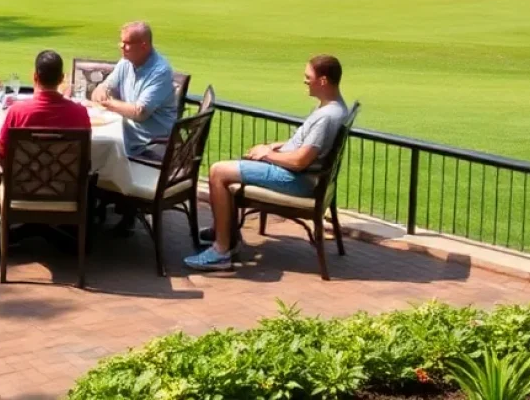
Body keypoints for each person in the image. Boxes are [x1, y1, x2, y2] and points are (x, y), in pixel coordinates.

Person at [184, 54, 350, 272]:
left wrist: (265, 155)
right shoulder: (335, 107)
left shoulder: (326, 117)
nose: (304, 80)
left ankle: (221, 250)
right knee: (230, 171)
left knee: (218, 172)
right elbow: (306, 145)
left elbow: (300, 161)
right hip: (300, 174)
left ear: (323, 81)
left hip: (296, 179)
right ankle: (226, 231)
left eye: (308, 76)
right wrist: (274, 146)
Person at [90, 22, 177, 159]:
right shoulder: (126, 62)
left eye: (127, 43)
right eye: (121, 42)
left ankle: (106, 177)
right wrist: (102, 89)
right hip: (130, 131)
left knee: (100, 145)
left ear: (144, 46)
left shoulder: (160, 71)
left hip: (152, 142)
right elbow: (106, 85)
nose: (122, 47)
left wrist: (109, 103)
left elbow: (140, 112)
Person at [0, 50, 90, 162]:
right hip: (64, 178)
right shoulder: (80, 113)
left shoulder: (17, 111)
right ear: (62, 78)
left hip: (25, 177)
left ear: (35, 77)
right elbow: (85, 152)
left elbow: (2, 149)